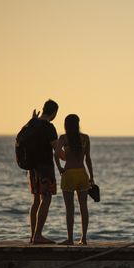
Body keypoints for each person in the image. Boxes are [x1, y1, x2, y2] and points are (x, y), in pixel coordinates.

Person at [55, 114, 95, 245]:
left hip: (69, 174)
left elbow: (56, 153)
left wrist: (60, 168)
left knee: (70, 208)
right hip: (82, 174)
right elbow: (88, 159)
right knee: (84, 207)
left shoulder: (64, 138)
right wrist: (92, 177)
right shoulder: (85, 138)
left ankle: (70, 239)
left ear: (66, 125)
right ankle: (83, 239)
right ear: (78, 124)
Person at [28, 99, 62, 244]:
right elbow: (57, 150)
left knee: (36, 200)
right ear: (54, 112)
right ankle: (38, 235)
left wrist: (33, 119)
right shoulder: (49, 127)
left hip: (32, 167)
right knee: (46, 198)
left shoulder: (32, 123)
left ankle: (33, 236)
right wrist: (73, 157)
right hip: (45, 168)